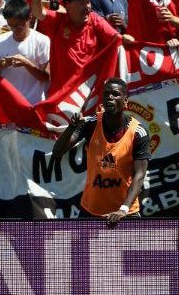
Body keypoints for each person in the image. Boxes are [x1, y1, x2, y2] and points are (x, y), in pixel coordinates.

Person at [51, 78, 150, 227]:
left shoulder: (138, 132)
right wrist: (71, 127)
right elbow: (57, 152)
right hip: (90, 210)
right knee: (83, 251)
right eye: (106, 94)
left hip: (125, 212)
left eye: (115, 94)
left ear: (125, 101)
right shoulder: (90, 124)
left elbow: (139, 175)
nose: (110, 97)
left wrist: (123, 210)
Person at [31, 0, 120, 97]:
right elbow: (38, 13)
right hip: (60, 94)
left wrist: (125, 38)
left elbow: (117, 39)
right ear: (68, 5)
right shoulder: (58, 20)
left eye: (88, 1)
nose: (87, 6)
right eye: (82, 2)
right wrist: (35, 0)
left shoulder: (95, 20)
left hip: (86, 94)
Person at [0, 0, 49, 105]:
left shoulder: (42, 41)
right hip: (8, 103)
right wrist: (1, 65)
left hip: (34, 104)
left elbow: (46, 77)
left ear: (29, 18)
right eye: (11, 25)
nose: (15, 29)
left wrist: (26, 64)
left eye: (19, 25)